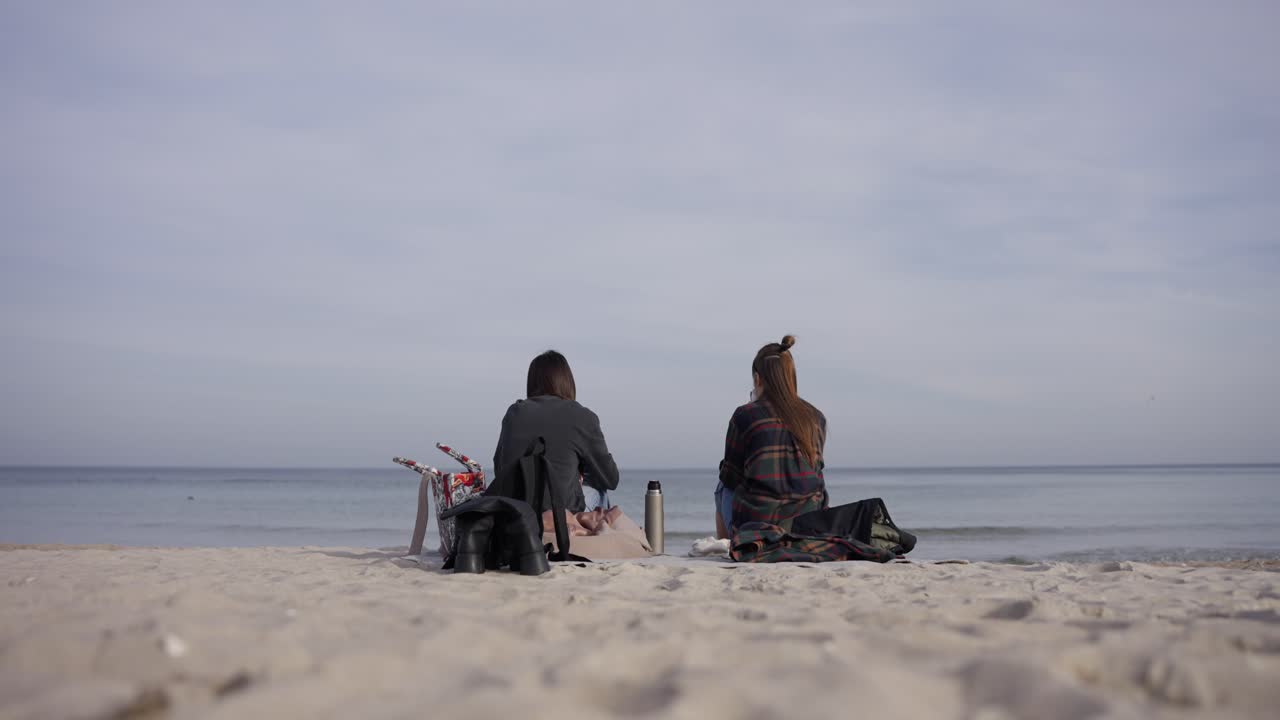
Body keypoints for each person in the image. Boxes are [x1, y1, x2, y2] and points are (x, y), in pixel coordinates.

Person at [716, 335, 828, 539]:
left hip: (758, 525)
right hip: (808, 525)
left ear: (758, 379)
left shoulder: (745, 415)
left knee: (722, 484)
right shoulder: (816, 417)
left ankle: (730, 545)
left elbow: (731, 477)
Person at [493, 350, 621, 525]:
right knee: (600, 492)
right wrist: (580, 471)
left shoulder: (514, 413)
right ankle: (586, 544)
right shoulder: (582, 417)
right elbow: (610, 478)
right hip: (561, 515)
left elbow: (500, 467)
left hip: (517, 515)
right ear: (567, 382)